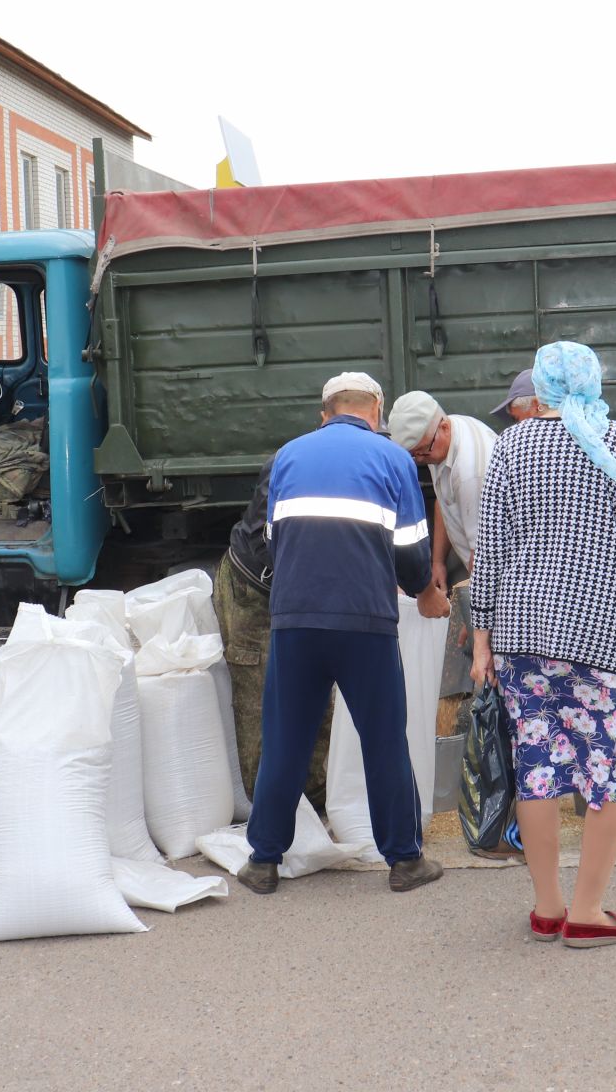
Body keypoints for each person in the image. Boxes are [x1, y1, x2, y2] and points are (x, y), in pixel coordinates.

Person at [469, 341, 616, 947]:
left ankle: (547, 907)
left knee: (536, 769)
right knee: (615, 771)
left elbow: (489, 551)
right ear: (593, 381)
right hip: (605, 635)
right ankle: (588, 913)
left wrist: (481, 640)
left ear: (539, 385)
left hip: (521, 634)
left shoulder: (510, 447)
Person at [240, 372, 442, 895]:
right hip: (365, 623)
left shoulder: (287, 456)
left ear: (323, 410)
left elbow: (270, 541)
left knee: (285, 740)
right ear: (375, 409)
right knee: (383, 740)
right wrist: (422, 589)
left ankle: (263, 861)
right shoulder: (393, 458)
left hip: (296, 620)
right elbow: (413, 551)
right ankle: (404, 861)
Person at [211, 450, 332, 810]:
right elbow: (276, 544)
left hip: (302, 593)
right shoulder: (290, 465)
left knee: (318, 693)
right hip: (254, 591)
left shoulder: (354, 469)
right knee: (259, 695)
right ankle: (265, 807)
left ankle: (313, 800)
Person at [386, 391, 497, 618]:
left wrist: (475, 616)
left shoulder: (472, 474)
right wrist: (437, 563)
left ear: (443, 428)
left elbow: (483, 557)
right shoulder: (442, 437)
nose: (419, 460)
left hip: (496, 580)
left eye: (421, 452)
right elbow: (444, 499)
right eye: (413, 455)